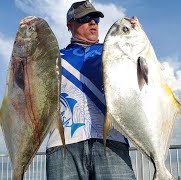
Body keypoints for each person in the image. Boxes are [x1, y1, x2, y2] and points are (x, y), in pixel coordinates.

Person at [46, 1, 136, 179]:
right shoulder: (53, 58)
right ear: (70, 25)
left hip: (112, 141)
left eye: (95, 18)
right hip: (63, 144)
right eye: (85, 18)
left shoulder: (113, 51)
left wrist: (133, 36)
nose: (93, 22)